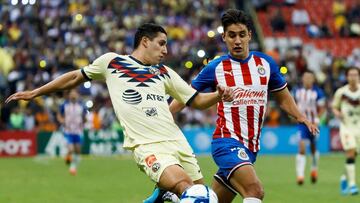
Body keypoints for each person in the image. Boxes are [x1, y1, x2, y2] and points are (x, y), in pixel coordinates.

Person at [5, 23, 234, 201]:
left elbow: (196, 101)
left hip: (178, 142)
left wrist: (218, 95)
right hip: (147, 145)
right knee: (189, 192)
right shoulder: (113, 62)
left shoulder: (165, 72)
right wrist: (36, 92)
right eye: (161, 43)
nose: (166, 50)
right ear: (145, 41)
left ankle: (165, 193)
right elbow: (74, 77)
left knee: (204, 198)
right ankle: (167, 191)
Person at [169, 9, 318, 203]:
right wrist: (165, 115)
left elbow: (283, 97)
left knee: (214, 200)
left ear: (249, 35)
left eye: (241, 35)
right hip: (226, 142)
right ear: (224, 37)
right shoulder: (216, 67)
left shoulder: (265, 64)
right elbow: (186, 95)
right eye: (231, 35)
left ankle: (175, 197)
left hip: (250, 148)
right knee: (254, 191)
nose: (237, 41)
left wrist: (301, 117)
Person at [292, 70, 326, 185]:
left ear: (313, 79)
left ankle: (314, 169)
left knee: (313, 148)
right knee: (301, 146)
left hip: (314, 123)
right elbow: (293, 104)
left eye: (309, 77)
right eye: (305, 77)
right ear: (302, 79)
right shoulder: (297, 91)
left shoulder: (318, 92)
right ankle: (300, 175)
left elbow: (322, 109)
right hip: (302, 124)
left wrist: (316, 121)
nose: (307, 79)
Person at [332, 67, 360, 195]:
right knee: (350, 151)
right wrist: (338, 113)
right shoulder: (341, 92)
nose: (353, 77)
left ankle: (344, 177)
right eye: (350, 75)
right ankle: (352, 185)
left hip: (358, 128)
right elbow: (334, 107)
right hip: (346, 127)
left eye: (355, 75)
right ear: (347, 77)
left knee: (353, 155)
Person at [57, 89, 86, 175]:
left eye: (75, 94)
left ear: (77, 95)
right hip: (68, 131)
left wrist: (83, 122)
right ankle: (72, 168)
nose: (73, 96)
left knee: (77, 150)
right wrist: (62, 120)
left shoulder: (81, 106)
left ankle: (70, 161)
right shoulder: (64, 105)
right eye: (72, 94)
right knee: (71, 149)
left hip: (78, 131)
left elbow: (84, 117)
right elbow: (59, 114)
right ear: (69, 96)